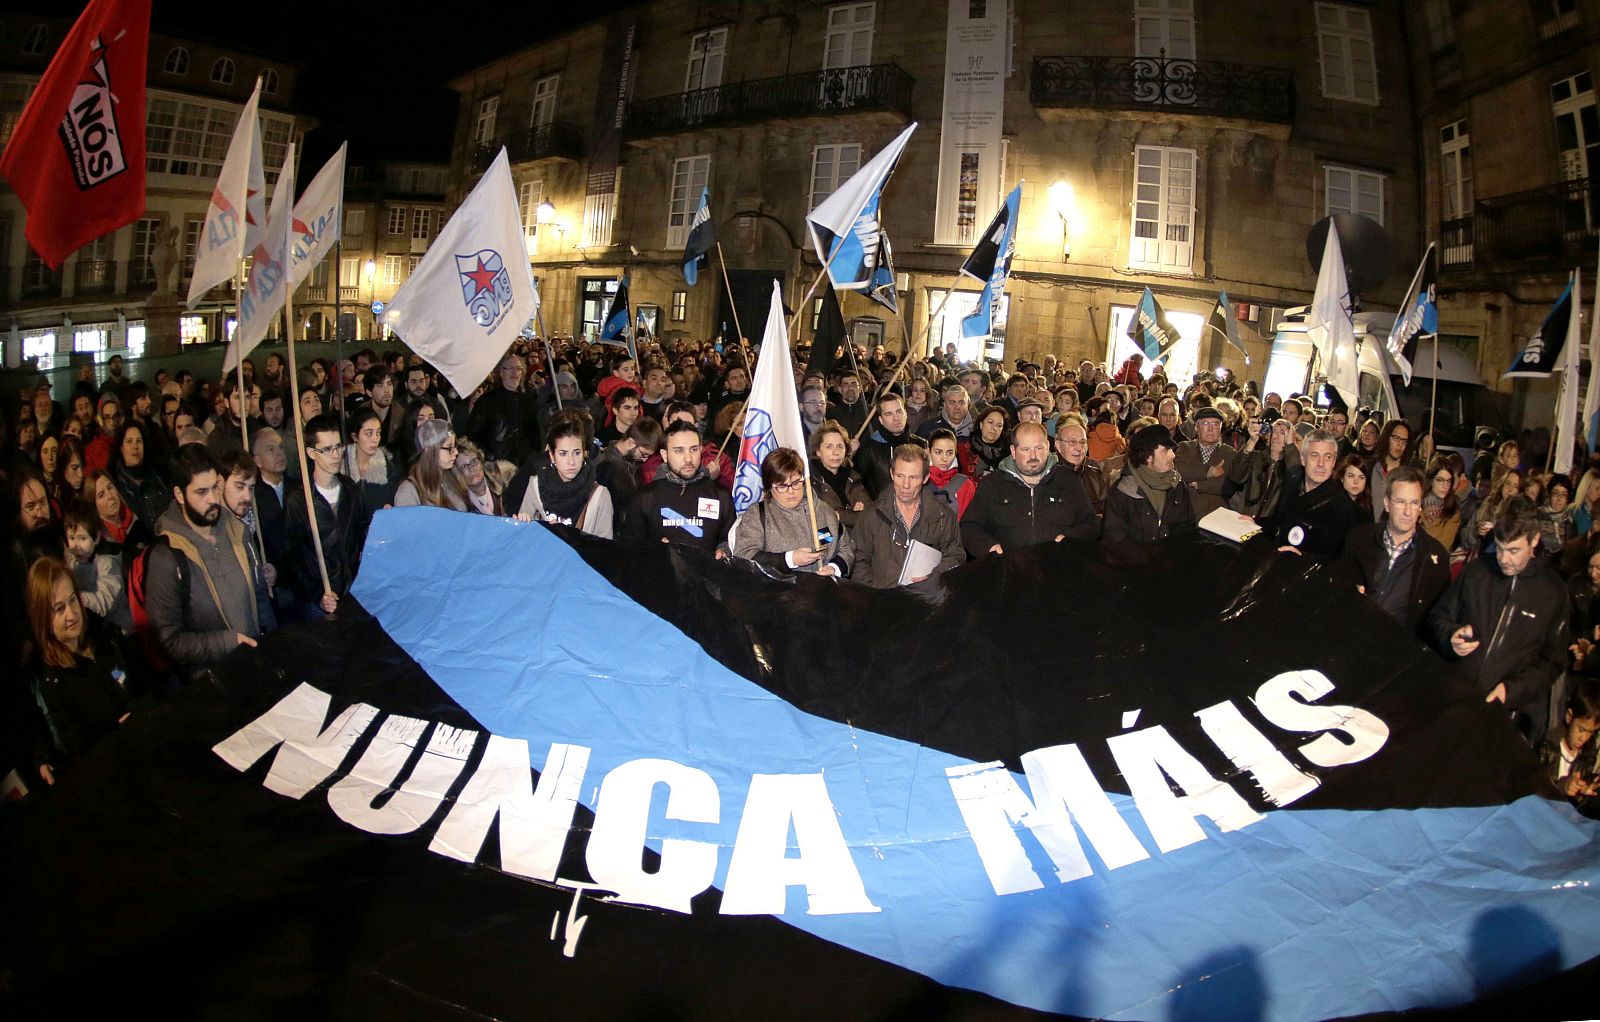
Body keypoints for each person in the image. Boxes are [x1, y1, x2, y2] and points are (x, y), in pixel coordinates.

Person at [1430, 497, 1570, 744]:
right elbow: (1438, 617)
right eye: (1499, 547)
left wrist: (1512, 690)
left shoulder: (1553, 593)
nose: (1504, 558)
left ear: (1534, 540)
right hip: (1455, 701)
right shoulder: (1477, 571)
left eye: (1514, 550)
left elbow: (1553, 662)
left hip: (1505, 719)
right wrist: (1450, 636)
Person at [145, 444, 261, 674]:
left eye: (215, 487)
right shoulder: (166, 556)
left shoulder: (236, 529)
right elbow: (170, 640)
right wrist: (227, 643)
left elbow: (259, 596)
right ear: (180, 495)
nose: (212, 499)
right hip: (214, 676)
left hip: (255, 661)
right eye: (201, 492)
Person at [25, 557, 133, 787]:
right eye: (59, 609)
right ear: (43, 618)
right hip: (114, 775)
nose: (72, 614)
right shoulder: (52, 680)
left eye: (72, 600)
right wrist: (119, 732)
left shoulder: (104, 635)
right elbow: (80, 749)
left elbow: (139, 683)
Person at [1338, 467, 1450, 638]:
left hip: (1398, 646)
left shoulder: (1436, 557)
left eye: (1414, 503)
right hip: (1352, 634)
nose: (1408, 511)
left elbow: (1438, 618)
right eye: (1400, 502)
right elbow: (1339, 585)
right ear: (1387, 504)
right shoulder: (1358, 539)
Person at [962, 421, 1100, 557]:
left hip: (1059, 565)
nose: (1033, 456)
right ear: (1013, 451)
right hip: (1009, 566)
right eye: (1026, 450)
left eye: (1039, 448)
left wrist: (1069, 539)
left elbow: (1091, 523)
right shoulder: (992, 484)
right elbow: (969, 526)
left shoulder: (1068, 480)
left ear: (1047, 446)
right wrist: (988, 547)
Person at [283, 415, 367, 620]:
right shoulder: (299, 499)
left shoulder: (350, 489)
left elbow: (362, 534)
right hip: (320, 603)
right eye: (328, 449)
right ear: (311, 453)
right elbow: (292, 557)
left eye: (338, 446)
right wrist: (316, 594)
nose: (336, 455)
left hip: (353, 593)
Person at [852, 443, 965, 588]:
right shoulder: (870, 516)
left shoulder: (944, 516)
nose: (906, 485)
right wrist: (877, 594)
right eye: (900, 476)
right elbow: (858, 562)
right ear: (891, 474)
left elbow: (955, 557)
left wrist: (933, 578)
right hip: (882, 598)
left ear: (925, 478)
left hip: (928, 597)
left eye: (913, 477)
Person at [728, 447, 851, 577]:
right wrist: (789, 559)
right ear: (769, 487)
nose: (791, 491)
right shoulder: (758, 514)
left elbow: (846, 547)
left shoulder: (823, 510)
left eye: (796, 483)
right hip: (777, 588)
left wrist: (834, 568)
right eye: (782, 486)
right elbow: (744, 555)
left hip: (821, 587)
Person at [621, 420, 735, 553]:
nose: (688, 459)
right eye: (679, 451)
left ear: (701, 450)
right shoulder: (645, 498)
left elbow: (730, 539)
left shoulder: (720, 495)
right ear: (665, 455)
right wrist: (652, 549)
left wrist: (724, 550)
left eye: (694, 449)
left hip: (705, 567)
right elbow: (629, 550)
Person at [1260, 429, 1354, 560]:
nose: (1321, 464)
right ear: (1303, 459)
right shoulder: (1292, 483)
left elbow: (1333, 558)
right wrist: (1254, 523)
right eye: (1315, 456)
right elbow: (1277, 522)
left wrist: (1302, 557)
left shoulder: (1340, 506)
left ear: (1334, 462)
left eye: (1327, 457)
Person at [218, 449, 279, 635]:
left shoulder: (248, 522)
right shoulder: (215, 533)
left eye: (251, 488)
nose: (247, 496)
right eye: (239, 486)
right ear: (220, 483)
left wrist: (262, 573)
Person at [1102, 423, 1197, 542]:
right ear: (1148, 457)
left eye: (1172, 450)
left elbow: (1187, 528)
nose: (1172, 455)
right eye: (1165, 451)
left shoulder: (1177, 484)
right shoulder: (1123, 491)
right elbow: (1114, 539)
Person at [518, 421, 614, 537]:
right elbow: (524, 537)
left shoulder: (600, 495)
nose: (571, 461)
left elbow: (604, 544)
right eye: (563, 454)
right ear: (552, 456)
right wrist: (523, 524)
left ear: (584, 453)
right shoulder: (536, 485)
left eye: (577, 453)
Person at [61, 502, 132, 635]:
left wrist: (75, 597)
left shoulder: (107, 564)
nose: (76, 545)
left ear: (96, 538)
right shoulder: (75, 560)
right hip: (97, 627)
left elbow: (103, 604)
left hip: (121, 631)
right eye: (72, 538)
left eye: (82, 538)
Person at [469, 352, 541, 466]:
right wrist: (489, 458)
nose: (515, 372)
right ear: (501, 372)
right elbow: (472, 436)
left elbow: (535, 436)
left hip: (524, 467)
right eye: (510, 368)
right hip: (496, 467)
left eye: (518, 369)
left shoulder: (528, 401)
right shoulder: (487, 401)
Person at [592, 417, 663, 531]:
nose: (645, 460)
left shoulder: (632, 464)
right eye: (644, 454)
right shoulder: (607, 466)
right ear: (630, 443)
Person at [856, 391, 928, 500]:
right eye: (889, 414)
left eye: (899, 411)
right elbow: (858, 484)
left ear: (905, 413)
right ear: (881, 420)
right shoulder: (869, 448)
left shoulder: (921, 445)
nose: (896, 418)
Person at [1540, 679, 1600, 809]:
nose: (1584, 738)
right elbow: (1534, 791)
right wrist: (1562, 786)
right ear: (1569, 716)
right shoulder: (1547, 746)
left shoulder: (1589, 753)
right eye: (1581, 730)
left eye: (1591, 732)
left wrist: (1583, 793)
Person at [342, 407, 401, 531]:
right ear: (355, 436)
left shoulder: (388, 469)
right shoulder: (342, 468)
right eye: (369, 433)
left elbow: (394, 499)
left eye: (378, 433)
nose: (375, 439)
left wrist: (390, 507)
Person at [1174, 407, 1237, 519]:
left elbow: (1225, 485)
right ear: (1196, 427)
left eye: (1215, 424)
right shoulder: (1184, 447)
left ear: (1221, 428)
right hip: (1184, 515)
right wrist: (1211, 471)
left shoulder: (1229, 453)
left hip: (1216, 517)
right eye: (1205, 423)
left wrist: (1198, 484)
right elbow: (1180, 470)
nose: (1211, 428)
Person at [394, 419, 470, 511]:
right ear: (429, 451)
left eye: (455, 446)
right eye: (449, 448)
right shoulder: (408, 492)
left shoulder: (454, 476)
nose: (456, 452)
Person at [807, 420, 869, 530]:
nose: (836, 452)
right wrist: (853, 515)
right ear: (818, 451)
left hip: (859, 540)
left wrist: (840, 515)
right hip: (831, 541)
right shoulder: (811, 484)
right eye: (829, 446)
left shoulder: (853, 478)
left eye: (840, 446)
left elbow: (870, 516)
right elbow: (821, 528)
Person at [1052, 414, 1107, 515]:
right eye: (1072, 442)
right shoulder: (1046, 475)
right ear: (1058, 445)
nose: (1079, 448)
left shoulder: (1094, 474)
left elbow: (1106, 512)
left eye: (1082, 442)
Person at [1365, 420, 1415, 521]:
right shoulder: (1370, 467)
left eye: (1404, 441)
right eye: (1396, 438)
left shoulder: (1410, 474)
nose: (1400, 444)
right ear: (1387, 438)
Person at [926, 428, 976, 520]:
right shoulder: (918, 481)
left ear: (955, 453)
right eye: (938, 452)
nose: (944, 458)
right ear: (928, 452)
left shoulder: (966, 485)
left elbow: (969, 522)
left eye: (950, 453)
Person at [454, 438, 508, 516]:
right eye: (464, 466)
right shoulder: (458, 504)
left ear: (481, 462)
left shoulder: (504, 482)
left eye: (474, 461)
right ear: (457, 473)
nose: (471, 468)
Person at [1421, 456, 1463, 550]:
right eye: (1440, 480)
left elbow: (1443, 545)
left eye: (1448, 481)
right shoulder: (1417, 503)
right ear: (1431, 480)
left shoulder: (1452, 510)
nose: (1445, 486)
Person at [966, 404, 1010, 478]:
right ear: (981, 424)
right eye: (990, 422)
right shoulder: (965, 447)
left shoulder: (1008, 454)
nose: (994, 428)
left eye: (999, 425)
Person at [1336, 454, 1373, 518]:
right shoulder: (1334, 504)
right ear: (1342, 478)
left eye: (1361, 477)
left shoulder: (1368, 506)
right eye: (1351, 476)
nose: (1356, 482)